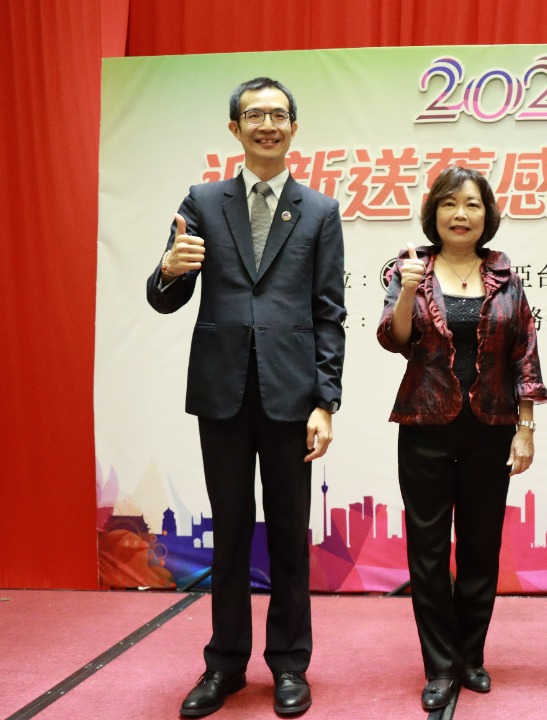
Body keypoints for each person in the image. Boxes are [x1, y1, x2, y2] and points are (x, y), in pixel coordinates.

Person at [147, 77, 345, 717]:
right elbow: (164, 293)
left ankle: (289, 665)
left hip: (292, 395)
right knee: (229, 534)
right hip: (223, 392)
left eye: (279, 115)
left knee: (291, 534)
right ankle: (225, 665)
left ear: (294, 127)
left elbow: (328, 312)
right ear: (234, 128)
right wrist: (169, 270)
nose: (267, 124)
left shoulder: (319, 211)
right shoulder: (203, 201)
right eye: (254, 114)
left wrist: (326, 400)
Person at [377, 165, 547, 713]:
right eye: (450, 204)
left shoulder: (504, 276)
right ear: (434, 213)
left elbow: (524, 351)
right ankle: (438, 666)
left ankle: (470, 656)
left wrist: (525, 429)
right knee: (427, 554)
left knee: (480, 548)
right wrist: (405, 293)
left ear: (486, 215)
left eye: (472, 204)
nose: (460, 214)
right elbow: (394, 338)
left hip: (491, 429)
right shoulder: (410, 270)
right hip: (425, 427)